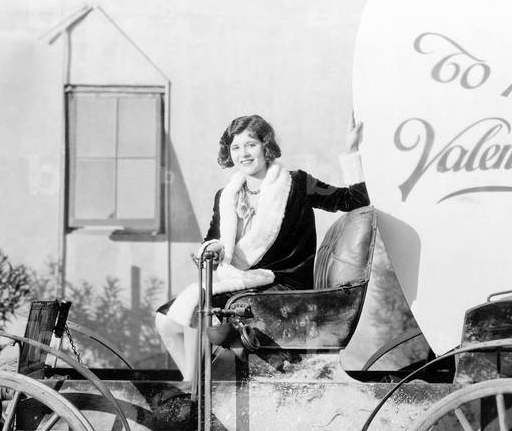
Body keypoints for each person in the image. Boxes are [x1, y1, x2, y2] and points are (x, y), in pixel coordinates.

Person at [155, 113, 369, 381]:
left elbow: (352, 200)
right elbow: (212, 238)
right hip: (241, 282)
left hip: (281, 285)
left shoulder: (296, 184)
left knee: (197, 305)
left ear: (265, 146)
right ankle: (203, 383)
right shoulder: (226, 196)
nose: (243, 153)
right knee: (164, 322)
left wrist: (351, 152)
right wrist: (213, 249)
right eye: (235, 147)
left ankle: (192, 390)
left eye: (250, 144)